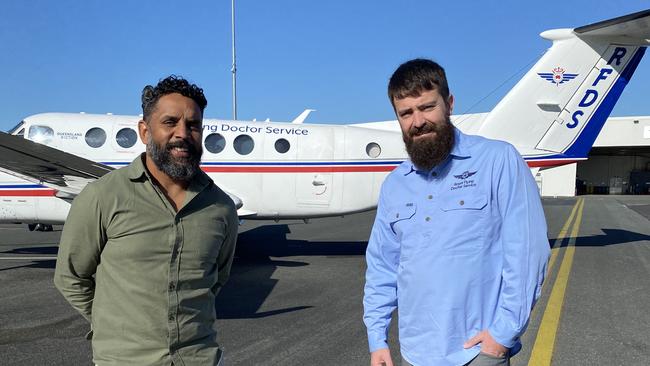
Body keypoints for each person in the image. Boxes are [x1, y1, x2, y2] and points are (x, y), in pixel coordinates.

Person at [363, 59, 550, 366]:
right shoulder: (394, 185)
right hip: (414, 353)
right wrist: (377, 339)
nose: (418, 121)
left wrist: (502, 336)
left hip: (476, 352)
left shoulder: (497, 161)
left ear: (449, 104)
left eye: (427, 107)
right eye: (406, 113)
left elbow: (528, 252)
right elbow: (382, 266)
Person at [54, 75, 239, 365]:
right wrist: (115, 326)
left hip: (199, 358)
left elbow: (217, 279)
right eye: (170, 122)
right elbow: (71, 277)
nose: (182, 133)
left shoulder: (221, 208)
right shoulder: (103, 197)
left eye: (193, 125)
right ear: (144, 131)